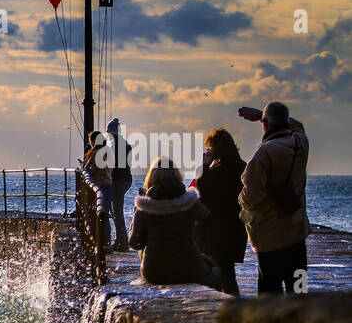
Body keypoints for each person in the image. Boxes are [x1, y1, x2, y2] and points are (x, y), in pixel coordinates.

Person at [238, 101, 310, 294]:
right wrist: (261, 115)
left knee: (270, 296)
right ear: (285, 122)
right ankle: (304, 322)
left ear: (265, 124)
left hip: (270, 239)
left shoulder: (264, 152)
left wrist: (243, 205)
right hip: (297, 233)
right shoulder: (300, 143)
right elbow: (298, 126)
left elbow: (251, 196)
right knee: (299, 289)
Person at [128, 158, 223, 290]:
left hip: (154, 271)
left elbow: (134, 242)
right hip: (189, 267)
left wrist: (137, 216)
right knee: (217, 272)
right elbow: (210, 224)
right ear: (177, 174)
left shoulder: (145, 206)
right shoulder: (190, 201)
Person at [189, 128, 247, 296]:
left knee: (218, 273)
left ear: (216, 149)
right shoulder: (242, 166)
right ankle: (234, 306)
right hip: (235, 226)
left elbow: (201, 192)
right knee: (228, 271)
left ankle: (223, 309)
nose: (208, 151)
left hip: (217, 228)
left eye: (210, 148)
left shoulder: (217, 170)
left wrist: (205, 166)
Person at [80, 130, 116, 246]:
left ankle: (100, 243)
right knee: (105, 214)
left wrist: (82, 166)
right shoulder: (109, 151)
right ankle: (107, 242)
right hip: (109, 185)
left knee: (99, 216)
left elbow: (89, 169)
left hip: (99, 186)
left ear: (94, 141)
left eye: (91, 142)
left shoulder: (96, 153)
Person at [106, 117, 133, 250]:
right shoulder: (126, 144)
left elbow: (112, 165)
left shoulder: (112, 145)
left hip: (117, 180)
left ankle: (122, 241)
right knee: (117, 210)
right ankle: (121, 239)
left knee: (116, 211)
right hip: (126, 178)